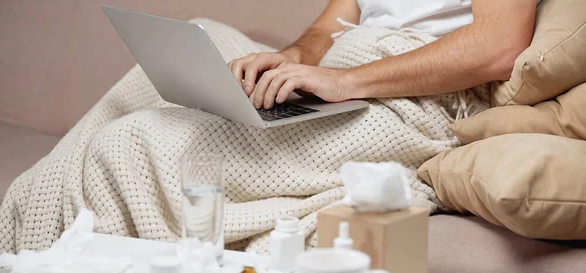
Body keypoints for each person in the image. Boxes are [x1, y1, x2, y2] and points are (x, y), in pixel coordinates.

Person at [228, 0, 538, 110]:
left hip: (424, 95)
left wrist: (346, 82)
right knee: (206, 32)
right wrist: (292, 58)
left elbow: (500, 45)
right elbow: (326, 29)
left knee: (205, 139)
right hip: (346, 78)